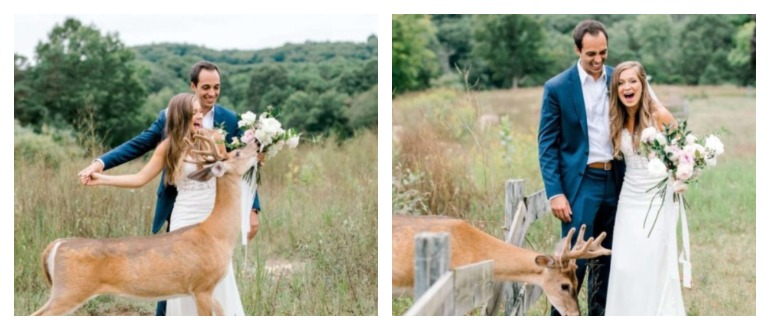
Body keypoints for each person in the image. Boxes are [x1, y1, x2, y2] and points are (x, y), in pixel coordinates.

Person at [77, 60, 262, 315]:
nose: (211, 94)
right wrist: (102, 168)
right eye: (206, 87)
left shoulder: (224, 127)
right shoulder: (168, 134)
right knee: (176, 278)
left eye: (216, 87)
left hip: (214, 214)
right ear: (193, 87)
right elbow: (138, 153)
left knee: (217, 278)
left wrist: (254, 203)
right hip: (184, 213)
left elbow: (234, 168)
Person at [538, 19, 623, 316]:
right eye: (591, 55)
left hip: (616, 179)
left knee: (607, 260)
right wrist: (555, 193)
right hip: (580, 184)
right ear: (577, 50)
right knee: (574, 264)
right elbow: (547, 145)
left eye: (603, 53)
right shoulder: (558, 88)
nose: (598, 60)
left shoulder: (618, 80)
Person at [604, 61, 685, 315]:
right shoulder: (616, 119)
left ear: (642, 84)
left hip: (657, 200)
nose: (627, 87)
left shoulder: (659, 115)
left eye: (632, 81)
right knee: (624, 265)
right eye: (621, 83)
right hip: (629, 200)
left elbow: (684, 157)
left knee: (651, 262)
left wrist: (680, 178)